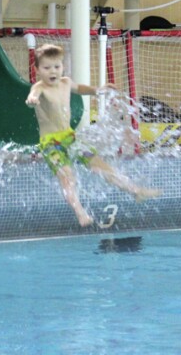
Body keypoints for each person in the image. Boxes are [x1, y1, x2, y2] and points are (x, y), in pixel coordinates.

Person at [26, 44, 160, 226]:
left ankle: (136, 191)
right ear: (37, 70)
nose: (53, 71)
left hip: (70, 138)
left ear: (62, 67)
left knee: (100, 166)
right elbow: (33, 95)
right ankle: (81, 213)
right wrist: (32, 100)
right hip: (51, 144)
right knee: (68, 178)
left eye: (57, 66)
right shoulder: (39, 87)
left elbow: (80, 88)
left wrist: (98, 90)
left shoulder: (65, 82)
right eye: (47, 67)